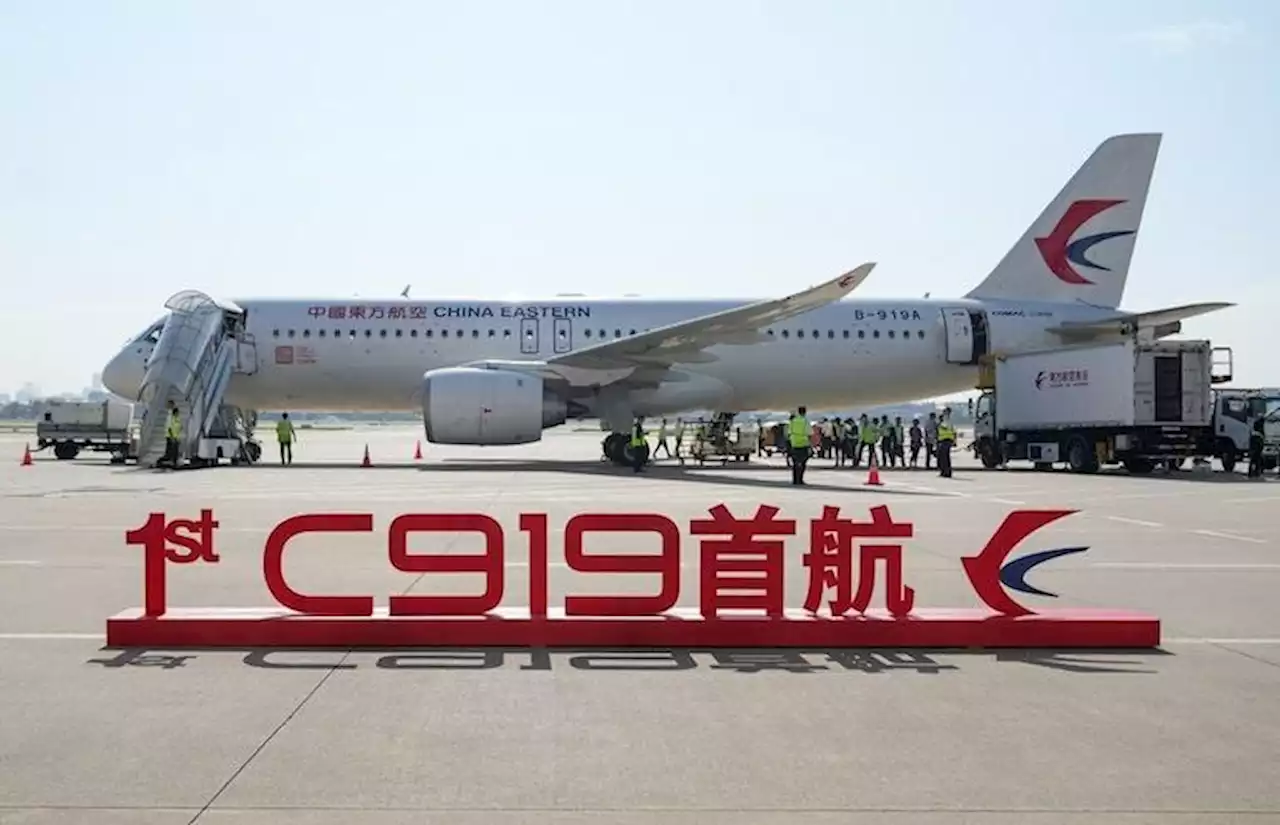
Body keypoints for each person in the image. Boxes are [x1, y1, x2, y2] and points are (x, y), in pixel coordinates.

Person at [788, 406, 811, 485]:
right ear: (805, 412)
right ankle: (800, 479)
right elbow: (809, 433)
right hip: (803, 443)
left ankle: (795, 480)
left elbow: (789, 432)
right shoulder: (805, 421)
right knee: (803, 463)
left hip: (794, 443)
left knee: (795, 463)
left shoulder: (793, 421)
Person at [161, 403, 182, 468]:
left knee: (174, 449)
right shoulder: (172, 416)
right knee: (172, 449)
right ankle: (171, 460)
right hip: (172, 435)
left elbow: (176, 426)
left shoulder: (175, 417)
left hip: (175, 436)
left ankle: (173, 461)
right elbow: (170, 427)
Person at [936, 411, 956, 478]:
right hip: (944, 441)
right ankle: (945, 472)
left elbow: (946, 429)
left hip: (945, 441)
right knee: (944, 458)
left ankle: (946, 472)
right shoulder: (946, 424)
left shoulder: (944, 424)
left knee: (944, 458)